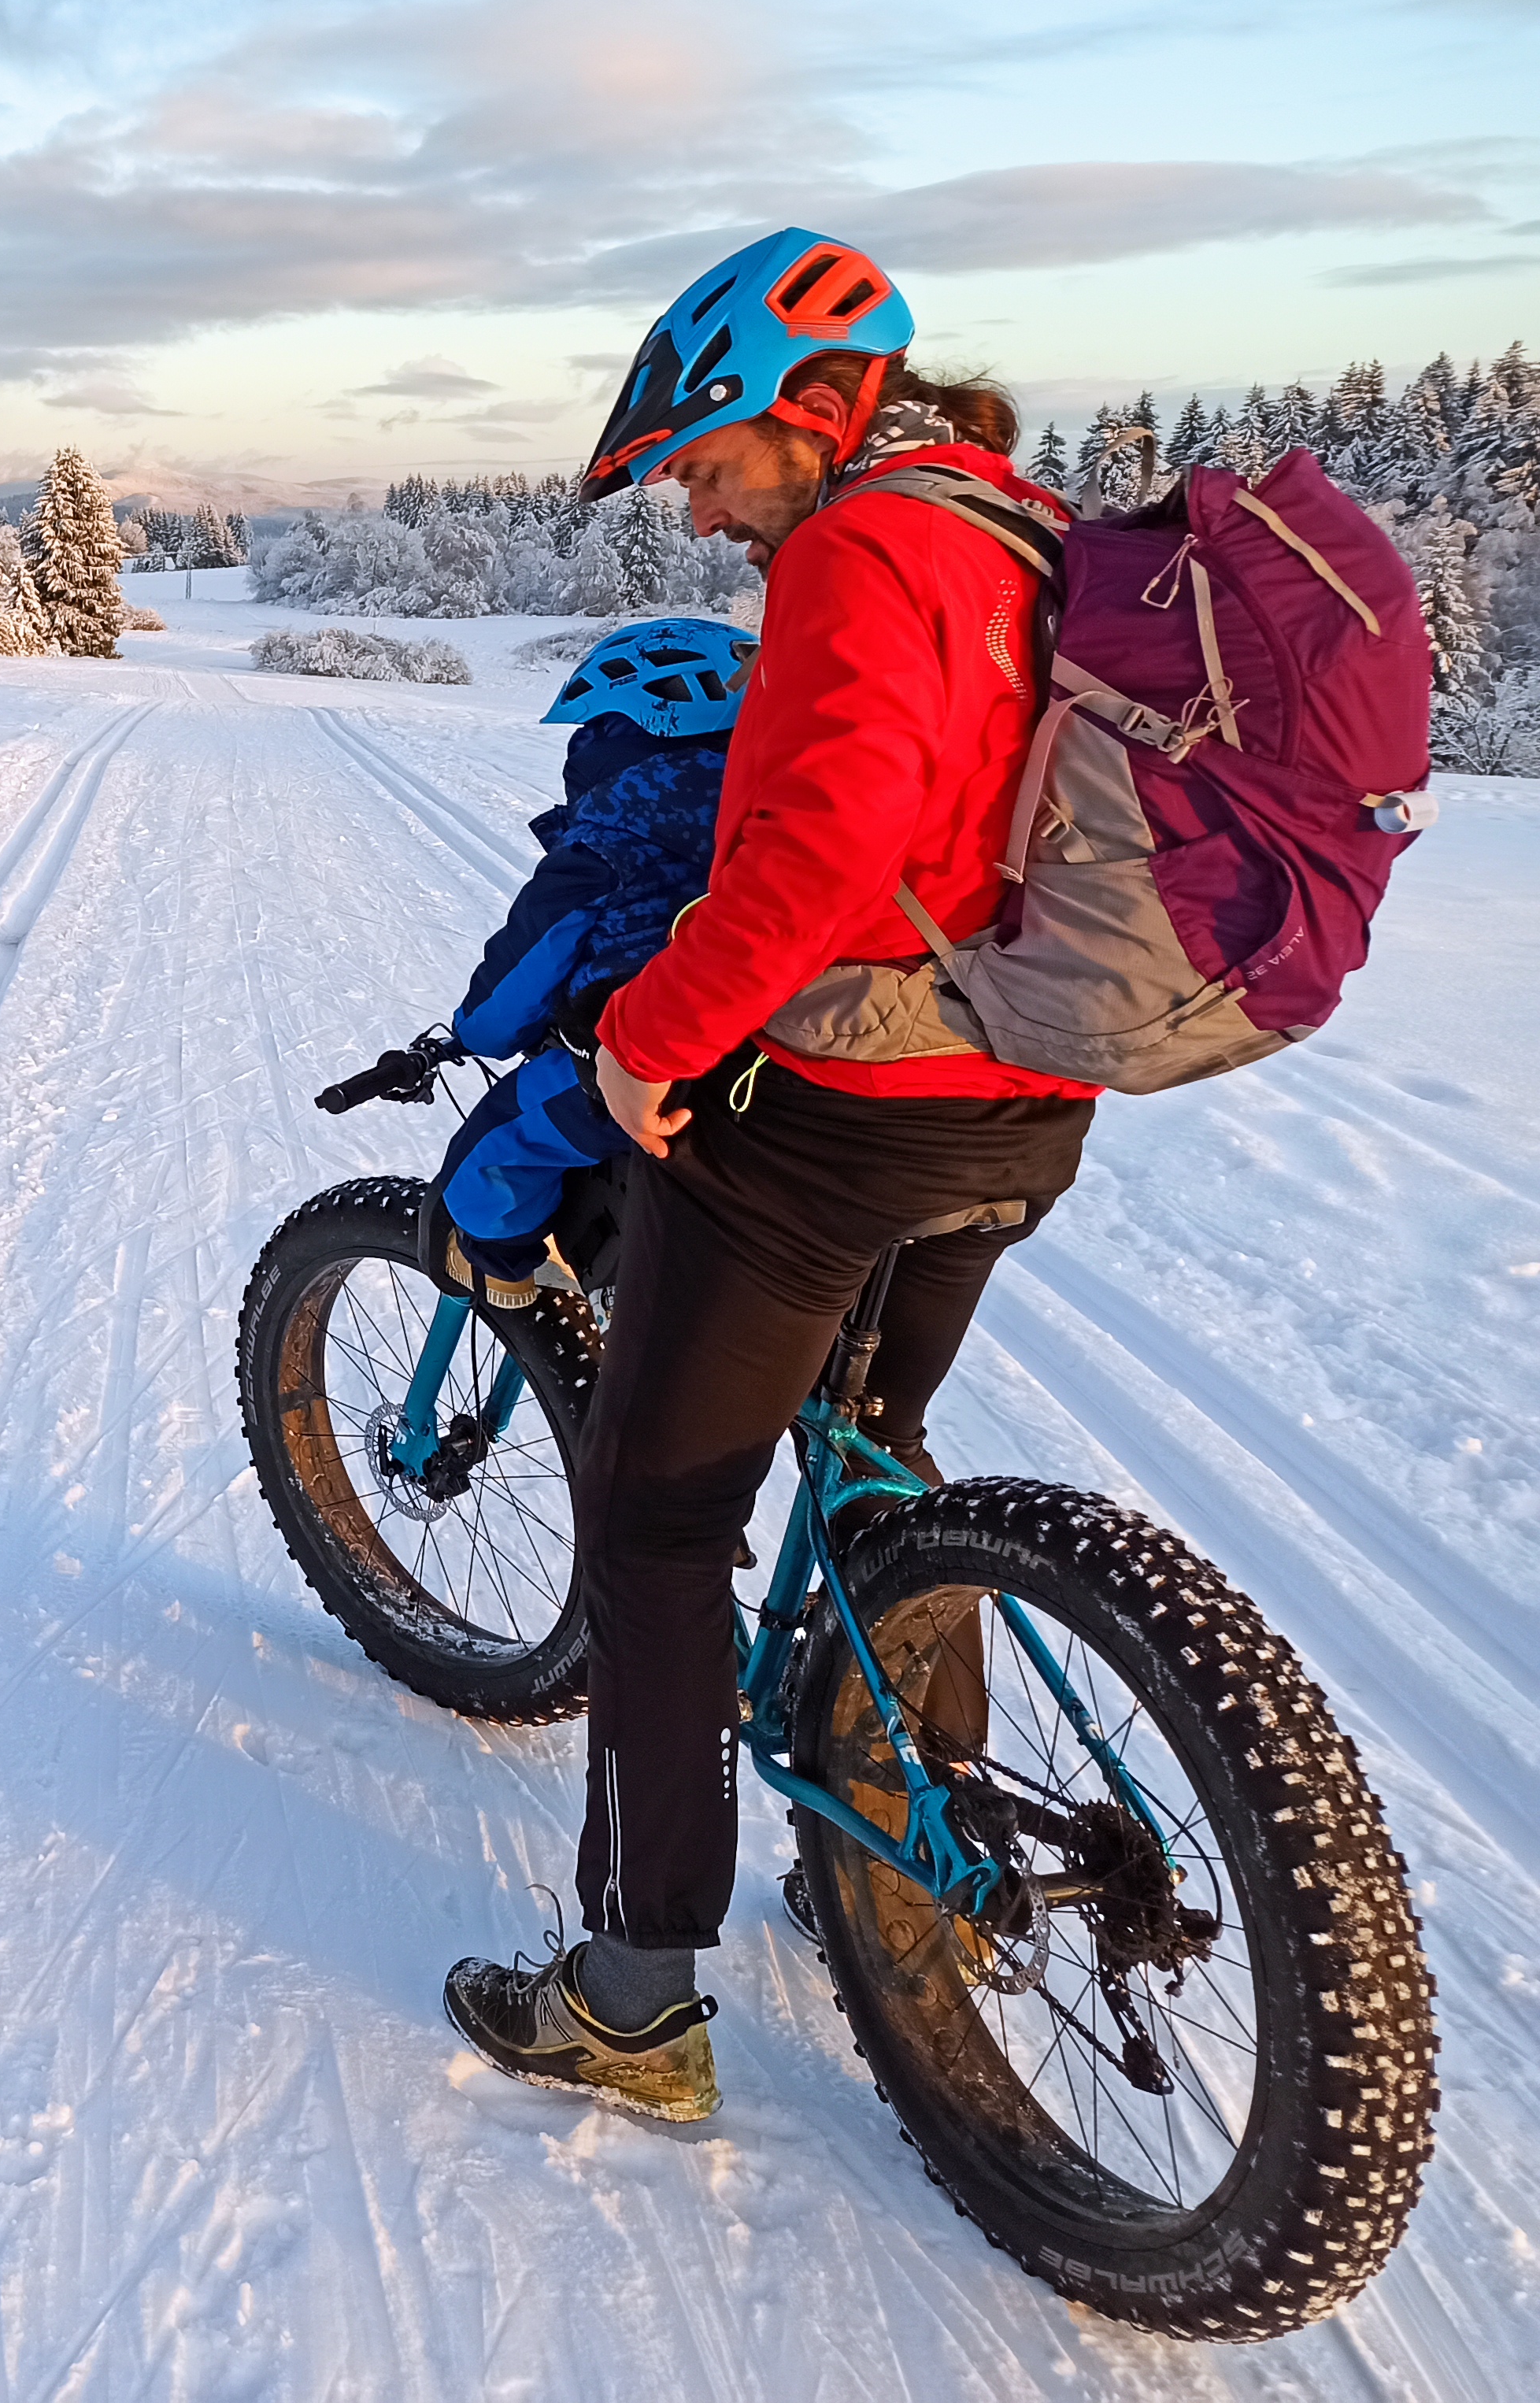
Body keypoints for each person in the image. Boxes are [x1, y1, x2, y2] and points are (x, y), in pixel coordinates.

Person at [442, 229, 1094, 2125]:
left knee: (658, 1527)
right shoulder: (1015, 524)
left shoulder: (857, 545)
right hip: (1027, 1092)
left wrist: (647, 1040)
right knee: (875, 1444)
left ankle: (629, 2000)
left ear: (814, 408)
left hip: (848, 1107)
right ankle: (905, 1842)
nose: (702, 510)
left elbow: (818, 846)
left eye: (708, 463)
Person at [431, 616, 757, 1308]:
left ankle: (509, 1272)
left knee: (488, 1156)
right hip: (770, 1061)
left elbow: (514, 990)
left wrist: (469, 1030)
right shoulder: (780, 818)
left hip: (649, 1071)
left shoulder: (609, 842)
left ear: (624, 733)